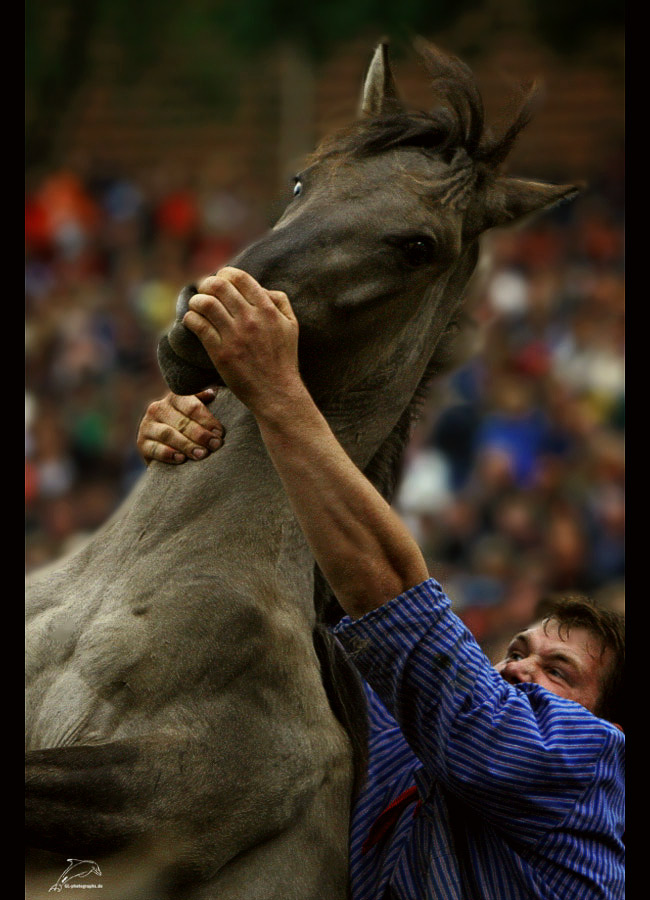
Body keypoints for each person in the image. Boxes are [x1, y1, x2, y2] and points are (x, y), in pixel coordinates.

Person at [137, 267, 624, 899]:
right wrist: (205, 439)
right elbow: (299, 612)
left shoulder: (588, 765)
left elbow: (394, 600)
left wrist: (276, 387)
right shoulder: (408, 743)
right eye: (517, 651)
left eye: (559, 671)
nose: (519, 670)